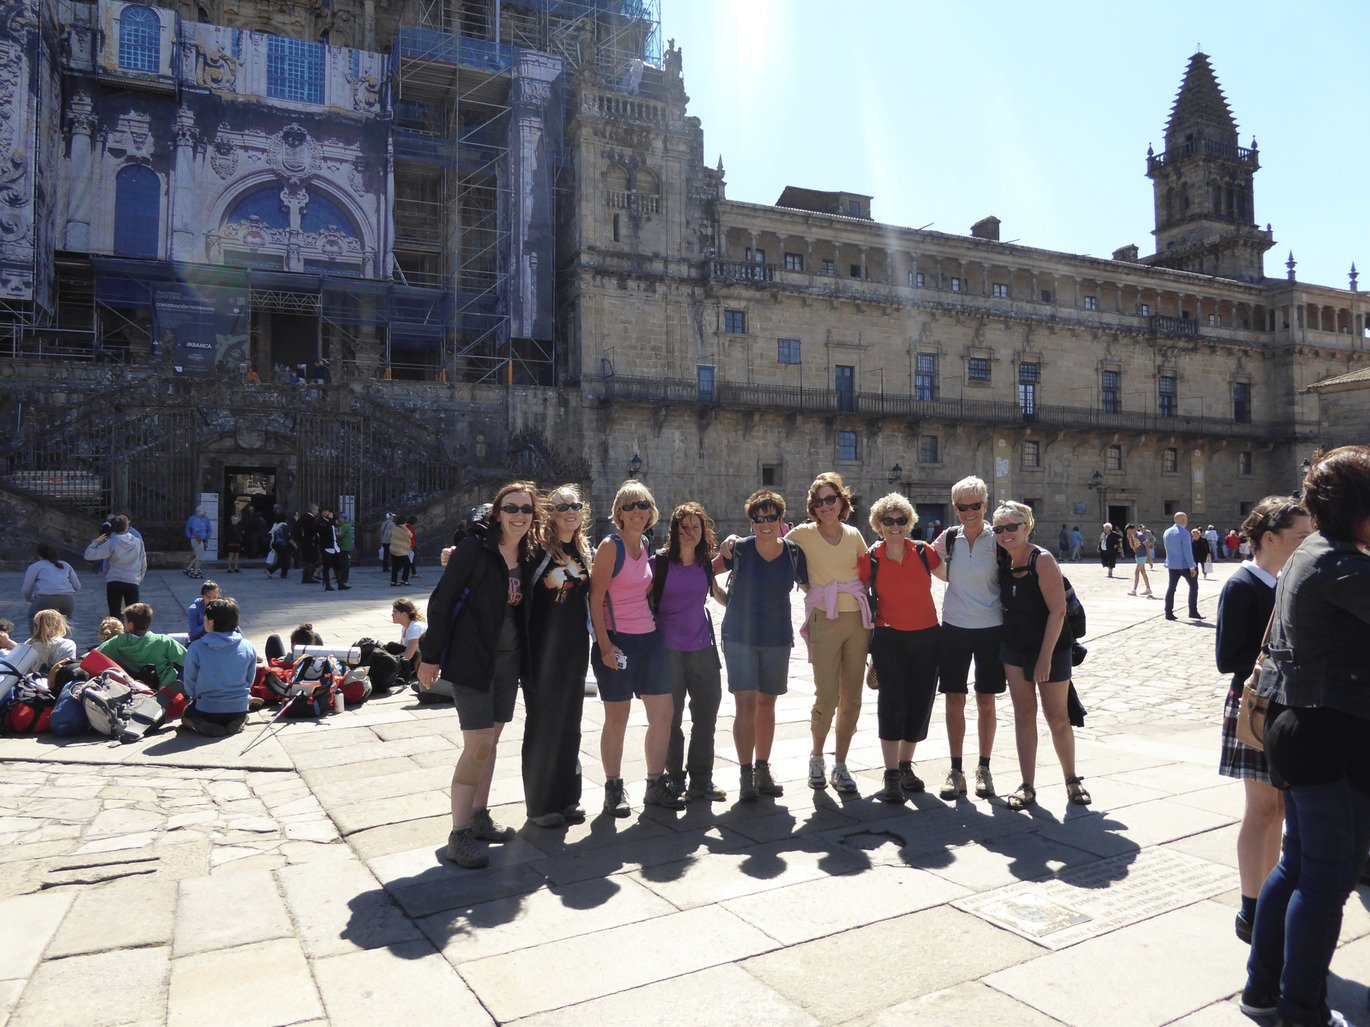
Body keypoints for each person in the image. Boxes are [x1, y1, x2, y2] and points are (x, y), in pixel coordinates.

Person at [1241, 446, 1370, 1027]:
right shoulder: (1340, 563)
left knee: (1297, 866)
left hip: (1306, 726)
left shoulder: (1312, 553)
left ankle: (1263, 989)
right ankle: (1302, 1008)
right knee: (1327, 879)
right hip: (1329, 732)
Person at [418, 482, 540, 869]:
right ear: (497, 512)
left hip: (509, 660)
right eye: (512, 508)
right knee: (478, 745)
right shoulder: (475, 549)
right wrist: (430, 656)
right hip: (473, 659)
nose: (519, 515)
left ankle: (480, 815)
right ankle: (459, 834)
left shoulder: (529, 553)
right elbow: (441, 601)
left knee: (494, 738)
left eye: (526, 509)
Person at [1216, 496, 1312, 946]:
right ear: (1269, 538)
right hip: (1257, 704)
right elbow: (1228, 659)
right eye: (1300, 537)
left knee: (1278, 809)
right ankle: (1251, 908)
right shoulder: (1243, 585)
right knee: (1261, 810)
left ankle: (1271, 899)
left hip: (1288, 704)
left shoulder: (1290, 580)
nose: (1308, 543)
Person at [589, 480, 685, 816]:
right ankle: (614, 787)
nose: (637, 511)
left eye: (643, 505)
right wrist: (604, 646)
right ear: (618, 513)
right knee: (618, 719)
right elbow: (595, 597)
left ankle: (654, 784)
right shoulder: (609, 547)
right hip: (618, 639)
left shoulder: (645, 543)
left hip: (649, 639)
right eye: (629, 506)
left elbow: (642, 589)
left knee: (664, 713)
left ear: (651, 511)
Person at [992, 501, 1090, 810]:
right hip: (1014, 648)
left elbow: (1058, 610)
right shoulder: (1002, 560)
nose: (1005, 534)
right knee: (1023, 715)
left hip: (1051, 648)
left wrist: (1045, 658)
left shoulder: (1042, 560)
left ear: (1026, 526)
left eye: (1012, 527)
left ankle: (1072, 779)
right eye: (999, 529)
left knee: (1057, 717)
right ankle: (1027, 785)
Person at [717, 489, 807, 801]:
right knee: (746, 705)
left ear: (782, 519)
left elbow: (813, 588)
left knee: (767, 705)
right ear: (751, 521)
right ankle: (745, 774)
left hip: (777, 637)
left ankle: (762, 768)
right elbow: (703, 571)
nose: (765, 523)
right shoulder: (739, 549)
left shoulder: (794, 553)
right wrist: (722, 599)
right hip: (740, 637)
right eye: (759, 517)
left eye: (771, 517)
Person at [787, 472, 871, 794]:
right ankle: (817, 757)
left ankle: (841, 764)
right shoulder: (803, 534)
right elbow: (777, 545)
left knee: (852, 698)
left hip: (857, 623)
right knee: (826, 695)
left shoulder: (853, 534)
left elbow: (867, 571)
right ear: (812, 506)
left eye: (830, 499)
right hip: (825, 617)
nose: (825, 506)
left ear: (841, 501)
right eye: (819, 500)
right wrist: (809, 588)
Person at [859, 493, 943, 803]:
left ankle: (906, 766)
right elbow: (853, 592)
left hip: (927, 637)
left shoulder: (924, 552)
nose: (895, 526)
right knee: (891, 702)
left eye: (901, 520)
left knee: (920, 701)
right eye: (888, 521)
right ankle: (891, 774)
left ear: (910, 523)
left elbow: (956, 578)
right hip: (889, 638)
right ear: (877, 524)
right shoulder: (869, 559)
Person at [523, 485, 593, 827]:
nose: (569, 511)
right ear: (550, 513)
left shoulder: (583, 550)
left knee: (570, 725)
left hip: (575, 649)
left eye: (575, 505)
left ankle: (567, 798)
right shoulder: (535, 551)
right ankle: (539, 805)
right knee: (543, 725)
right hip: (541, 652)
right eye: (561, 506)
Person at [932, 476, 1006, 800]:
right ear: (955, 508)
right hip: (954, 627)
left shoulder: (998, 541)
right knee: (953, 699)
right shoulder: (948, 540)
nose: (969, 512)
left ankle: (984, 768)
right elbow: (924, 560)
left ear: (985, 505)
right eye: (963, 507)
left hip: (991, 627)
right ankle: (956, 769)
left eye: (975, 505)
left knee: (986, 700)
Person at [656, 502, 728, 802]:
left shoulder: (703, 563)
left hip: (702, 649)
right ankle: (674, 778)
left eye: (695, 527)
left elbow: (718, 594)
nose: (689, 532)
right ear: (674, 530)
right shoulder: (658, 564)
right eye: (683, 527)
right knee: (670, 719)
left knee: (706, 716)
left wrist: (746, 604)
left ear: (703, 531)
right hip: (668, 651)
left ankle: (701, 779)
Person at [180, 597, 256, 737]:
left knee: (185, 715)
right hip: (239, 707)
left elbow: (189, 682)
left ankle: (199, 726)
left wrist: (196, 696)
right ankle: (239, 721)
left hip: (207, 709)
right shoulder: (248, 646)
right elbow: (249, 680)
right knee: (238, 714)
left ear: (211, 621)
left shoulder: (196, 647)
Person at [96, 603, 185, 688]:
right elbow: (187, 659)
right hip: (163, 687)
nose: (124, 624)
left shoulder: (118, 642)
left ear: (131, 625)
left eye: (125, 621)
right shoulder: (164, 641)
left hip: (132, 686)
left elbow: (95, 654)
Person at [84, 515, 147, 618]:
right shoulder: (138, 542)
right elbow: (143, 564)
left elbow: (88, 554)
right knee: (133, 616)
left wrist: (97, 541)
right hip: (132, 580)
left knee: (114, 614)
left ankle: (115, 632)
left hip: (115, 580)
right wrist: (138, 579)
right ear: (127, 527)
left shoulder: (111, 543)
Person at [21, 543, 80, 628]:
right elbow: (77, 586)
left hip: (46, 598)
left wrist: (30, 598)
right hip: (67, 599)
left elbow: (26, 589)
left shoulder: (36, 566)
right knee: (66, 622)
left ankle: (36, 638)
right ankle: (65, 639)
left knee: (33, 616)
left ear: (39, 554)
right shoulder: (65, 565)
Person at [1163, 512, 1201, 621]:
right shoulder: (1184, 533)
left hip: (1172, 564)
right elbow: (1187, 551)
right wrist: (1192, 567)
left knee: (1171, 588)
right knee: (1194, 587)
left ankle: (1168, 612)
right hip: (1184, 565)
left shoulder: (1167, 532)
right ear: (1183, 520)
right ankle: (1192, 611)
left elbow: (1167, 549)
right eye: (1186, 519)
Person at [391, 598, 424, 676]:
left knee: (390, 648)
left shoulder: (415, 628)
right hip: (415, 660)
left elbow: (408, 655)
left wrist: (389, 659)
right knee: (390, 646)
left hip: (420, 664)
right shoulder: (405, 628)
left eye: (395, 612)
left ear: (404, 614)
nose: (392, 614)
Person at [318, 508, 345, 592]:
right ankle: (327, 585)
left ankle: (340, 583)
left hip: (334, 546)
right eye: (324, 511)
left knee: (338, 565)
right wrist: (330, 519)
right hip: (326, 547)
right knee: (326, 567)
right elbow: (325, 530)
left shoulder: (331, 521)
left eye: (328, 511)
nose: (326, 513)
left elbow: (334, 528)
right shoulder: (321, 521)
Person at [294, 504, 321, 584]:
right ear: (312, 510)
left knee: (308, 560)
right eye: (316, 510)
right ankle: (308, 577)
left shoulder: (304, 517)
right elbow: (312, 530)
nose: (317, 512)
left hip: (305, 541)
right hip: (310, 541)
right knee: (311, 560)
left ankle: (305, 577)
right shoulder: (310, 518)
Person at [1126, 524, 1154, 597]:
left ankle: (1134, 590)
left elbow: (1147, 545)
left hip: (1142, 555)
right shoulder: (1133, 536)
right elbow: (1132, 546)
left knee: (1137, 572)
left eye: (1129, 531)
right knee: (1143, 572)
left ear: (1133, 529)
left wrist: (1148, 556)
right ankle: (1148, 589)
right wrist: (1129, 539)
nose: (1129, 533)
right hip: (1138, 555)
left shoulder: (1140, 535)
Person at [184, 507, 212, 579]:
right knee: (200, 557)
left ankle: (188, 569)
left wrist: (207, 537)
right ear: (198, 512)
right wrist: (190, 536)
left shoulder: (206, 519)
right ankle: (196, 573)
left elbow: (209, 528)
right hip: (197, 539)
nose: (204, 514)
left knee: (198, 555)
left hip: (203, 539)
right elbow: (190, 529)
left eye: (205, 513)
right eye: (202, 513)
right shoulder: (193, 519)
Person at [389, 514, 414, 586]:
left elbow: (390, 535)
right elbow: (410, 535)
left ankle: (393, 581)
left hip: (393, 549)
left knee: (395, 566)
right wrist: (405, 528)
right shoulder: (404, 529)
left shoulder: (394, 528)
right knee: (407, 564)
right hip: (401, 550)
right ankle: (404, 580)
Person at [336, 513, 354, 586]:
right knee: (344, 562)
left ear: (343, 518)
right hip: (346, 546)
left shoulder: (344, 526)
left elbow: (340, 535)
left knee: (344, 563)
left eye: (339, 518)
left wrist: (333, 533)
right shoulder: (345, 525)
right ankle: (344, 578)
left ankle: (344, 578)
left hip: (344, 546)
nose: (338, 519)